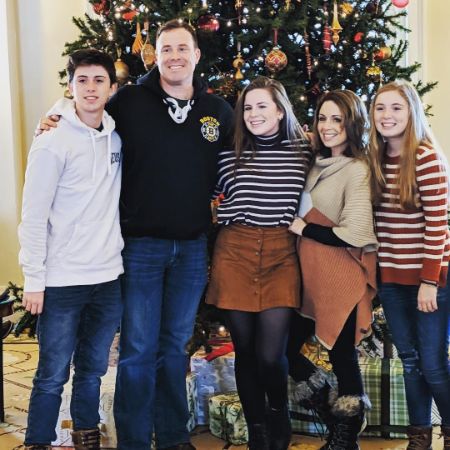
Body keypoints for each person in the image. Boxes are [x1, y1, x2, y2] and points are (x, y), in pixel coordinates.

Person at [38, 19, 233, 450]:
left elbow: (240, 158)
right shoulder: (128, 101)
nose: (175, 57)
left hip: (192, 249)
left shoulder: (217, 110)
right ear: (154, 56)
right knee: (139, 348)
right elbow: (84, 109)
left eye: (182, 48)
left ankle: (174, 436)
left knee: (175, 346)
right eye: (166, 49)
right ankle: (134, 440)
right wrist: (53, 115)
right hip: (141, 247)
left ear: (196, 55)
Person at [19, 49, 123, 450]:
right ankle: (38, 441)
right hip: (62, 280)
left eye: (99, 80)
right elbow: (33, 215)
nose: (91, 88)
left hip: (107, 278)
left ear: (112, 87)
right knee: (52, 373)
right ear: (70, 86)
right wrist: (34, 279)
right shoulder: (52, 140)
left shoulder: (117, 135)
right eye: (82, 80)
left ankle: (86, 435)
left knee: (93, 370)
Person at [205, 76, 313, 450]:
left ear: (280, 111)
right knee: (246, 351)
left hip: (282, 254)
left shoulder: (305, 152)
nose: (253, 114)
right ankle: (257, 430)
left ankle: (278, 411)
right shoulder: (227, 153)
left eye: (262, 106)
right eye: (248, 108)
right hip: (234, 251)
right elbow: (194, 186)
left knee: (271, 354)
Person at [287, 90, 377, 450]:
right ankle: (334, 419)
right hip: (310, 278)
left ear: (352, 123)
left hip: (341, 278)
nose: (327, 126)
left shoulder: (357, 170)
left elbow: (356, 233)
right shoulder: (315, 163)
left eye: (337, 119)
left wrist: (304, 229)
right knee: (285, 352)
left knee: (342, 358)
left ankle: (345, 439)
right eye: (322, 118)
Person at [368, 80, 450, 450]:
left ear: (412, 112)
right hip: (391, 281)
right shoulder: (373, 159)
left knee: (432, 364)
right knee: (411, 362)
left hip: (430, 280)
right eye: (380, 108)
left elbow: (437, 226)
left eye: (396, 108)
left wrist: (429, 282)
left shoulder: (426, 158)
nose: (387, 115)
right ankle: (419, 438)